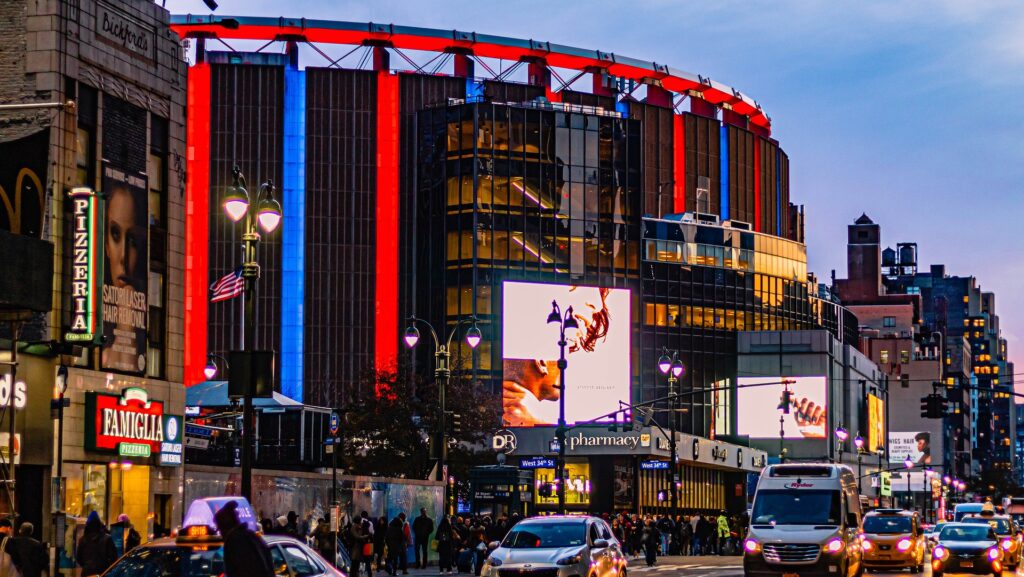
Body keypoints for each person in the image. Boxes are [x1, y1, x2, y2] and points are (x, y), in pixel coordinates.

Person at [215, 500, 275, 577]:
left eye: (220, 529)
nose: (221, 533)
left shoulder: (234, 542)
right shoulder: (253, 537)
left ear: (225, 527)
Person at [77, 511, 117, 577]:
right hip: (103, 573)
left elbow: (79, 559)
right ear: (99, 524)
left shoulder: (82, 540)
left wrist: (87, 566)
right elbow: (114, 559)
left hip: (87, 573)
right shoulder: (107, 538)